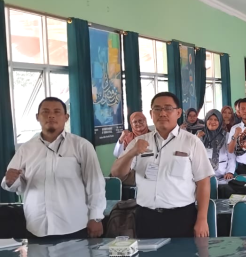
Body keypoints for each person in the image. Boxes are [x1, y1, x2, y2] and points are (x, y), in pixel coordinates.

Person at [110, 92, 214, 238]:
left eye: (168, 108)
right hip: (146, 217)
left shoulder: (192, 142)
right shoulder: (138, 142)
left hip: (182, 216)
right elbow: (116, 173)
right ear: (151, 114)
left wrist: (202, 219)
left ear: (178, 113)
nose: (162, 113)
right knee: (147, 253)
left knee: (184, 253)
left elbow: (203, 182)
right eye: (157, 109)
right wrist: (131, 153)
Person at [2, 97, 106, 239]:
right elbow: (13, 183)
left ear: (66, 117)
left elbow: (95, 184)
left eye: (57, 112)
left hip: (73, 225)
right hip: (36, 226)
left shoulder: (81, 146)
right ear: (37, 117)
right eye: (45, 112)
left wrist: (96, 217)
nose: (51, 116)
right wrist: (9, 181)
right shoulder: (25, 149)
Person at [199, 109, 236, 188]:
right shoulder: (200, 135)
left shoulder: (226, 136)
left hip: (222, 175)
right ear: (206, 120)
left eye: (216, 120)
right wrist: (197, 138)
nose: (212, 122)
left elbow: (231, 156)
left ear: (220, 122)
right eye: (210, 119)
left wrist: (230, 172)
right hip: (203, 175)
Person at [228, 98, 246, 176]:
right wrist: (235, 135)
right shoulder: (234, 128)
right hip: (241, 167)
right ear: (239, 112)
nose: (245, 111)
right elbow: (230, 150)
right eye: (243, 109)